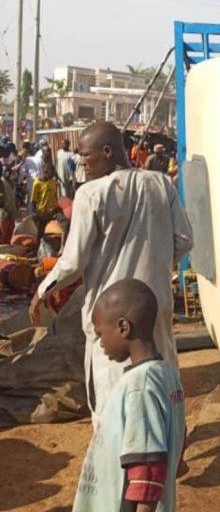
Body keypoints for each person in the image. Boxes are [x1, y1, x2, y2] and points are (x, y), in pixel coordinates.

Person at [55, 279, 186, 512]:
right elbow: (175, 446)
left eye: (100, 334)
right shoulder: (166, 373)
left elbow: (148, 471)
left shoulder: (139, 388)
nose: (99, 343)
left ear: (124, 328)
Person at [29, 121, 193, 420]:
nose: (81, 162)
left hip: (110, 313)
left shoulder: (91, 194)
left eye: (85, 155)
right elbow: (184, 240)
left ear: (106, 152)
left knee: (112, 396)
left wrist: (42, 291)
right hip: (155, 304)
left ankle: (117, 445)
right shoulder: (160, 184)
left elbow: (73, 262)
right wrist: (157, 268)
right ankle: (168, 440)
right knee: (161, 380)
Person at [30, 159, 60, 237]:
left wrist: (57, 207)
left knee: (52, 230)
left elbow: (55, 195)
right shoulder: (37, 183)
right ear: (45, 172)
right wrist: (33, 212)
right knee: (41, 229)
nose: (52, 176)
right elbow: (33, 200)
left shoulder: (53, 182)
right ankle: (39, 241)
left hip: (52, 211)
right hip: (42, 212)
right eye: (51, 174)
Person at [0, 164, 18, 243]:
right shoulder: (4, 181)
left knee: (4, 240)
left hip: (6, 215)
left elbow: (2, 199)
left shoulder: (3, 182)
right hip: (8, 215)